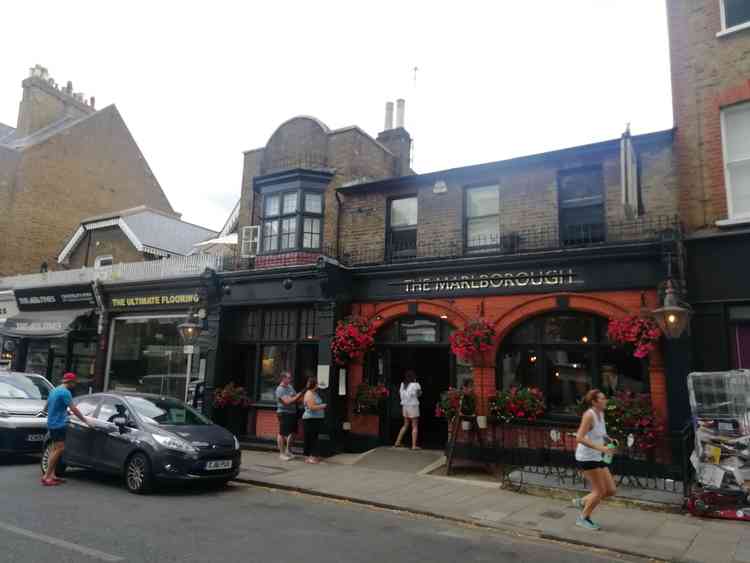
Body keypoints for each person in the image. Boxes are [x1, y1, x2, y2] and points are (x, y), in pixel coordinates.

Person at [573, 389, 617, 530]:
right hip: (586, 457)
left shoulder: (601, 413)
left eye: (605, 398)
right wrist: (601, 448)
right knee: (599, 491)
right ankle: (583, 518)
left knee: (610, 490)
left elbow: (601, 434)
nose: (605, 400)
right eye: (602, 399)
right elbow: (579, 437)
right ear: (594, 402)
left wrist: (610, 440)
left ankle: (583, 501)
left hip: (597, 456)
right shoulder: (589, 415)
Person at [41, 372, 92, 486]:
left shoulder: (55, 390)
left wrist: (48, 412)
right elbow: (74, 409)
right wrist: (85, 420)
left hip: (51, 423)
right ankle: (46, 477)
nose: (75, 385)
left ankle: (52, 475)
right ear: (70, 382)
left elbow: (47, 404)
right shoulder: (66, 392)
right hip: (59, 424)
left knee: (54, 449)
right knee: (59, 449)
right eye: (74, 382)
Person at [275, 371, 303, 461]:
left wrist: (300, 397)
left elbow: (296, 399)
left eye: (290, 377)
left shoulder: (290, 387)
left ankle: (288, 451)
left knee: (292, 432)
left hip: (292, 412)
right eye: (288, 377)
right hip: (283, 412)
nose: (290, 379)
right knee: (282, 433)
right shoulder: (279, 389)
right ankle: (281, 453)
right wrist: (298, 395)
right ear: (283, 378)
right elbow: (287, 402)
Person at [394, 370, 422, 450]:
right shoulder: (415, 384)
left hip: (405, 406)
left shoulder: (402, 384)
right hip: (413, 406)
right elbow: (419, 394)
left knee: (405, 425)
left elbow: (400, 394)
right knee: (414, 426)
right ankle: (414, 446)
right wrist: (418, 386)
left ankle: (397, 442)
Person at [302, 377, 327, 464]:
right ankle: (309, 457)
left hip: (316, 419)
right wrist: (322, 406)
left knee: (314, 437)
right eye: (317, 383)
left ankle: (313, 455)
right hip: (310, 419)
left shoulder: (315, 393)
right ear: (314, 384)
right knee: (310, 438)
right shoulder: (309, 394)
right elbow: (311, 407)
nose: (318, 385)